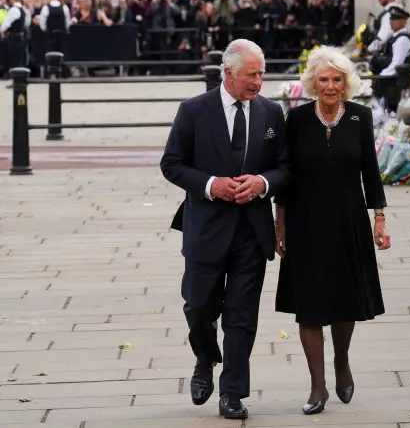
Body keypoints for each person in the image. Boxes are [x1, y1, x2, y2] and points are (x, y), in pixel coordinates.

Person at [159, 39, 290, 420]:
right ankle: (204, 357)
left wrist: (263, 184)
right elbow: (171, 163)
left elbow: (285, 167)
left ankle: (233, 392)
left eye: (262, 73)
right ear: (229, 74)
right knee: (198, 306)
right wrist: (210, 184)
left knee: (241, 316)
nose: (259, 82)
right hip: (205, 229)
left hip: (252, 231)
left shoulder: (270, 112)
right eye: (252, 74)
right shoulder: (194, 110)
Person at [274, 46, 391, 415]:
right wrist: (280, 222)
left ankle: (342, 359)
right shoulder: (295, 119)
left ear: (346, 83)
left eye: (336, 79)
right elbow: (285, 173)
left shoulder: (360, 117)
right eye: (323, 79)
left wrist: (380, 218)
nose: (329, 86)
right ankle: (317, 386)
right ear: (312, 82)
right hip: (305, 221)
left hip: (348, 220)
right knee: (309, 306)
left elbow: (370, 171)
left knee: (344, 302)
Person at [374, 4, 410, 113]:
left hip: (395, 82)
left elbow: (396, 64)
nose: (392, 22)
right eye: (391, 19)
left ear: (404, 21)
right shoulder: (394, 36)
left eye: (396, 19)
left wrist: (380, 76)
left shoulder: (403, 39)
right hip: (391, 81)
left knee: (391, 112)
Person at [367, 0, 398, 72]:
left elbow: (383, 36)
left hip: (387, 54)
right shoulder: (390, 10)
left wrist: (369, 49)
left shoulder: (390, 12)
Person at [0, 0, 30, 69]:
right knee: (20, 57)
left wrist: (1, 31)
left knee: (14, 57)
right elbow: (27, 23)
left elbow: (6, 24)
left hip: (14, 37)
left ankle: (16, 75)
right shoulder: (23, 9)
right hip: (21, 36)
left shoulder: (14, 10)